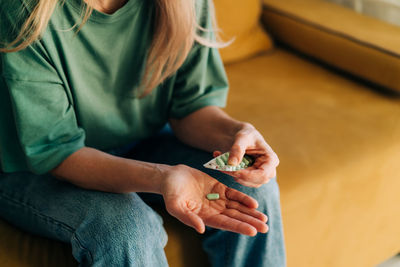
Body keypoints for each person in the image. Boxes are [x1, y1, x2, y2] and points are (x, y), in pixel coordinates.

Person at [0, 0, 286, 266]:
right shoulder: (22, 12)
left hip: (143, 140)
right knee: (126, 229)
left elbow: (189, 108)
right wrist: (161, 177)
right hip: (34, 165)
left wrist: (237, 135)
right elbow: (57, 152)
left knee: (252, 187)